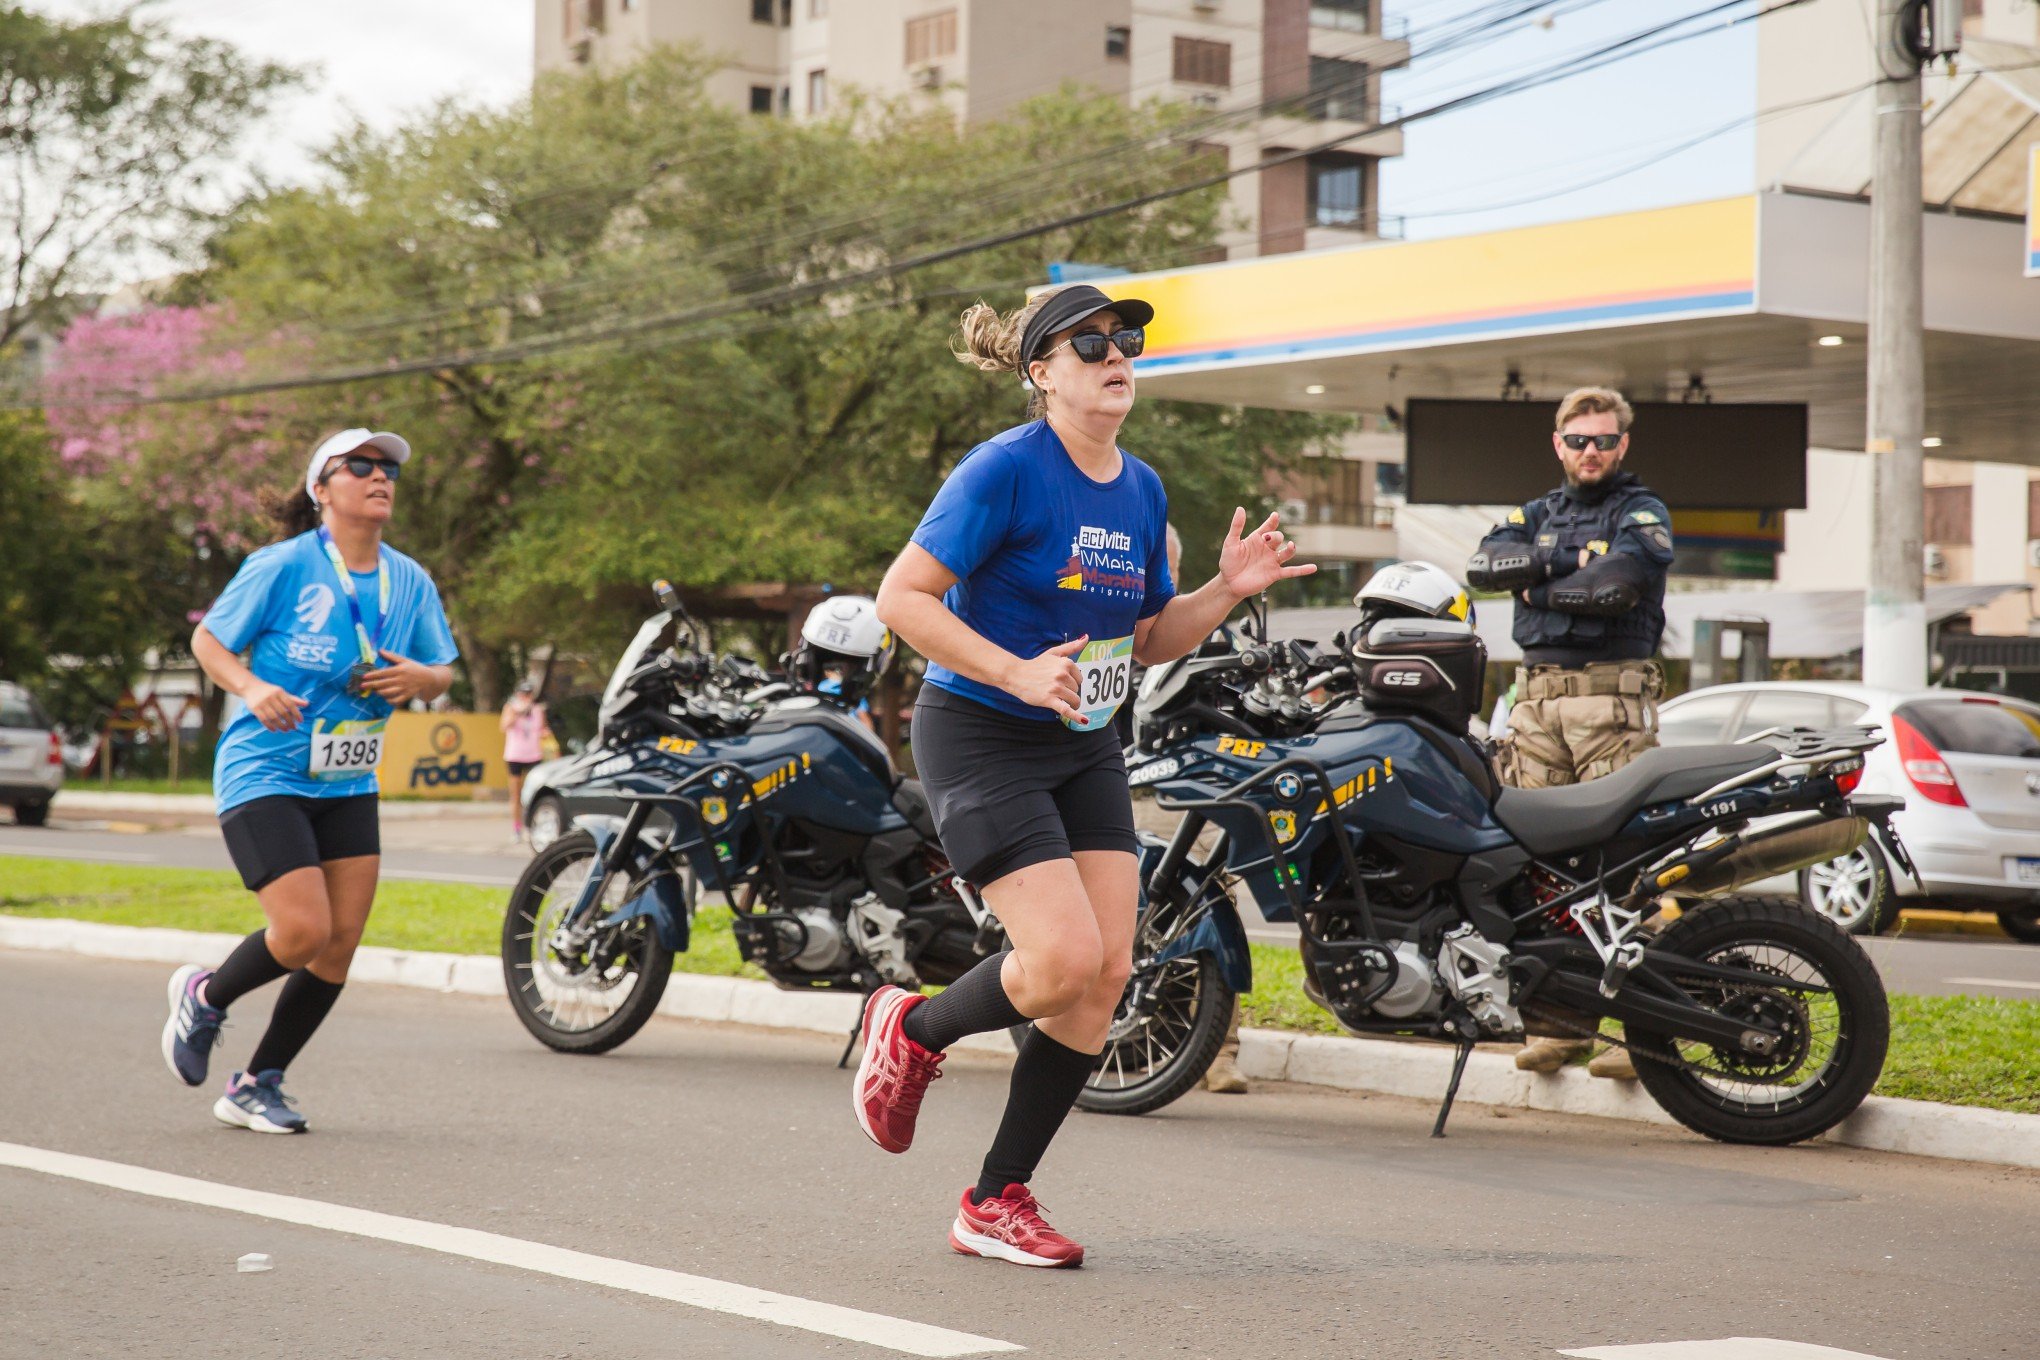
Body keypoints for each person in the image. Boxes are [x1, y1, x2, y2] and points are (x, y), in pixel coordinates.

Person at [859, 282, 1313, 1268]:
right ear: (1042, 372)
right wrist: (1018, 668)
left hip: (1083, 742)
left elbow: (1148, 638)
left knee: (1106, 975)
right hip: (979, 731)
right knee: (1059, 960)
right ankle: (913, 1029)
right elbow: (902, 597)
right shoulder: (1003, 473)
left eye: (1128, 343)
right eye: (1092, 342)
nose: (1118, 356)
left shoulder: (1142, 489)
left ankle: (993, 1199)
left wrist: (1223, 592)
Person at [164, 428, 458, 1132]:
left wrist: (422, 679)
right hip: (265, 769)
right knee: (301, 932)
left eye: (388, 468)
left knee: (340, 942)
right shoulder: (283, 566)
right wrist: (251, 685)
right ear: (320, 489)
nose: (379, 476)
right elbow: (209, 640)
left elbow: (441, 671)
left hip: (348, 780)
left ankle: (257, 1083)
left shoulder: (409, 579)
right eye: (359, 466)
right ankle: (205, 995)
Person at [1465, 386, 1673, 1081]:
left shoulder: (1641, 513)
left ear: (1624, 445)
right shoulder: (1532, 513)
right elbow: (1485, 566)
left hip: (1612, 702)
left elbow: (1613, 588)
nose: (1592, 451)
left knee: (1626, 870)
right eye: (1579, 440)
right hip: (1536, 705)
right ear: (1558, 444)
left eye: (1605, 440)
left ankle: (1648, 1040)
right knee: (1542, 876)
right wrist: (1572, 566)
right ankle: (1561, 1030)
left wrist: (1538, 581)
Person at [501, 681, 550, 839]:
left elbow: (542, 729)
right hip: (515, 755)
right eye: (523, 694)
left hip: (534, 755)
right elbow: (504, 726)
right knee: (515, 794)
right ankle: (517, 828)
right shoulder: (510, 708)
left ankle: (533, 827)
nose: (526, 697)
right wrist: (518, 713)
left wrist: (545, 733)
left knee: (535, 793)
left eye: (529, 694)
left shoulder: (537, 710)